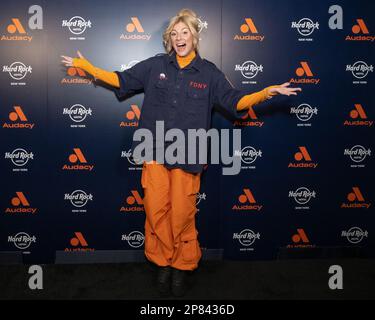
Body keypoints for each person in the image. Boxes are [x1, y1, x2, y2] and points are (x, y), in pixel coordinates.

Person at [61, 8, 301, 297]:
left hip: (190, 154)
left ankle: (182, 266)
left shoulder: (209, 72)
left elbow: (236, 102)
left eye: (184, 32)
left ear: (194, 37)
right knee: (156, 211)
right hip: (153, 151)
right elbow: (121, 80)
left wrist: (266, 93)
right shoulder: (155, 66)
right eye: (174, 34)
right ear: (169, 40)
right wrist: (88, 67)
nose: (179, 38)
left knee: (182, 215)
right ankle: (164, 263)